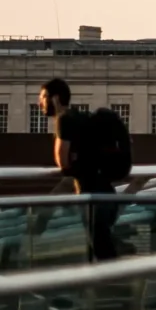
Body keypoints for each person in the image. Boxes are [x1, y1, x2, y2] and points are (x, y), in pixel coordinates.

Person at [42, 77, 131, 261]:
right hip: (108, 193)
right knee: (103, 250)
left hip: (93, 198)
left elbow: (62, 161)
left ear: (55, 99)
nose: (40, 102)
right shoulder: (82, 118)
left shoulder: (65, 119)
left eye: (43, 97)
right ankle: (116, 281)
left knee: (103, 254)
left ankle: (118, 285)